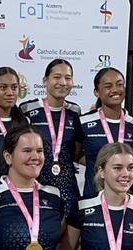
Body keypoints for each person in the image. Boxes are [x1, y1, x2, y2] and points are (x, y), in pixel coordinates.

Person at [19, 59, 82, 216]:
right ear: (45, 81)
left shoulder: (74, 112)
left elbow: (76, 148)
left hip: (68, 185)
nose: (63, 82)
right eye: (57, 77)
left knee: (69, 235)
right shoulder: (27, 109)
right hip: (37, 184)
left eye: (68, 78)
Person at [79, 67, 133, 197]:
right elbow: (74, 156)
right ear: (96, 92)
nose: (115, 89)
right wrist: (103, 163)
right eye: (108, 86)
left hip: (129, 198)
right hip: (93, 196)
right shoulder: (83, 122)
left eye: (119, 84)